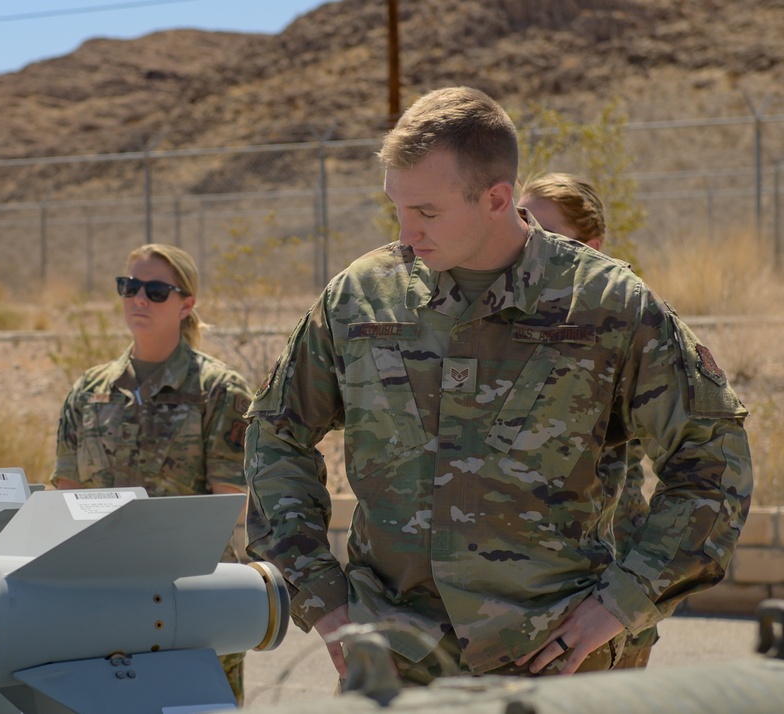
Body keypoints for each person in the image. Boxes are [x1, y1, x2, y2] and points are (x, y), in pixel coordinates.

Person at [244, 86, 752, 685]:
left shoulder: (606, 304)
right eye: (397, 209)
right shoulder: (362, 297)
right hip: (395, 666)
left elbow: (712, 460)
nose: (406, 234)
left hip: (559, 665)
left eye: (427, 212)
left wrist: (622, 604)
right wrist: (326, 602)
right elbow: (275, 433)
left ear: (497, 198)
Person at [50, 243, 253, 703]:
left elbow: (227, 504)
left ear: (186, 305)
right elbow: (64, 497)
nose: (139, 300)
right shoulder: (89, 391)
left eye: (157, 291)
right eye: (130, 287)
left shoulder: (219, 390)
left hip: (190, 601)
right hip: (101, 600)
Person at [518, 172, 656, 669]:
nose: (529, 244)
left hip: (607, 583)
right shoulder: (508, 316)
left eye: (549, 234)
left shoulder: (627, 322)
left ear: (591, 246)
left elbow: (702, 465)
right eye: (522, 225)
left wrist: (627, 598)